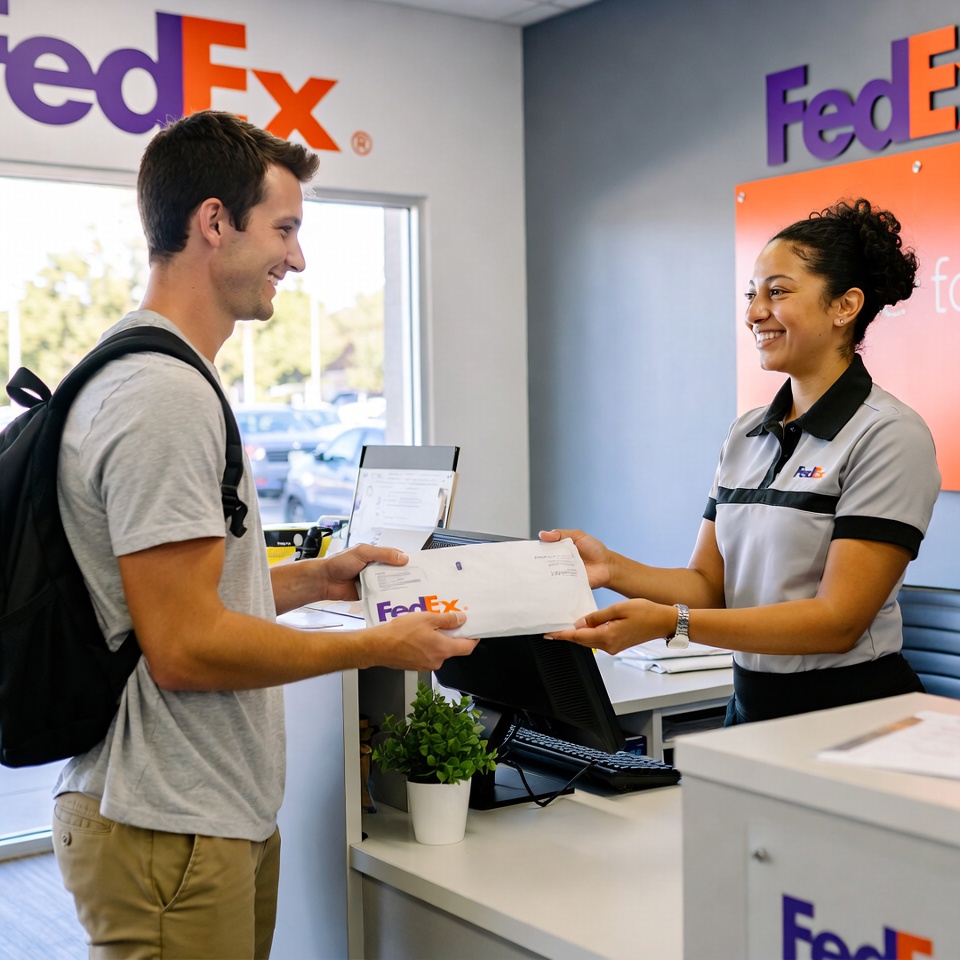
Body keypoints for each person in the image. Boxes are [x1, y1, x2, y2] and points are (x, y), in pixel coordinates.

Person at [52, 110, 478, 959]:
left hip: (195, 815)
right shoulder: (163, 397)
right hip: (169, 821)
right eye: (284, 228)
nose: (298, 256)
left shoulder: (157, 372)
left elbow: (169, 602)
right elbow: (185, 648)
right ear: (214, 222)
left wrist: (317, 582)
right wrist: (378, 646)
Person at [542, 198, 940, 727]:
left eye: (777, 292)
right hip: (752, 708)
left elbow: (838, 621)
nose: (754, 312)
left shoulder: (888, 434)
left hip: (852, 714)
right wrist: (612, 568)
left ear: (844, 307)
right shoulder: (746, 433)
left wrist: (674, 624)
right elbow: (710, 586)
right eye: (752, 294)